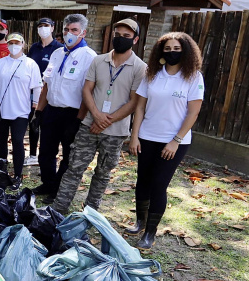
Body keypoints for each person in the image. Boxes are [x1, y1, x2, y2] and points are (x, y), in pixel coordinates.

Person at [51, 19, 147, 214]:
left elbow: (134, 102)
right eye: (117, 35)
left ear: (135, 39)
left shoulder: (140, 67)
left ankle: (90, 213)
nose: (121, 39)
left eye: (126, 36)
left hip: (115, 131)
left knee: (102, 173)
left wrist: (104, 122)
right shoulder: (98, 60)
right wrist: (96, 115)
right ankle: (58, 209)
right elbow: (87, 90)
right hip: (89, 125)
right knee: (74, 168)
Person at [129, 32, 204, 249]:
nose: (172, 53)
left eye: (177, 49)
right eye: (168, 49)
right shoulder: (152, 74)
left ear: (186, 51)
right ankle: (140, 222)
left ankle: (150, 232)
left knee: (159, 184)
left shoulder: (194, 77)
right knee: (143, 181)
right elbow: (140, 107)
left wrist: (175, 140)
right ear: (161, 51)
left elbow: (193, 113)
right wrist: (134, 136)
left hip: (174, 141)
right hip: (147, 137)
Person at [33, 13, 97, 201]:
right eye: (67, 29)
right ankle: (47, 183)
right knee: (46, 152)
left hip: (73, 114)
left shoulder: (90, 57)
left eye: (74, 30)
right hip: (51, 111)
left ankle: (58, 190)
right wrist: (38, 112)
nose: (69, 33)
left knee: (68, 156)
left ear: (83, 33)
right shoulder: (57, 53)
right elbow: (47, 85)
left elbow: (89, 92)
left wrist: (78, 120)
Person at [0, 33, 42, 188]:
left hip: (21, 111)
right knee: (1, 141)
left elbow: (37, 87)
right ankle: (2, 173)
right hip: (1, 110)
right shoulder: (0, 63)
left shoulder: (30, 64)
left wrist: (35, 109)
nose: (14, 45)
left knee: (17, 141)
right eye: (11, 43)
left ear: (23, 44)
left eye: (17, 43)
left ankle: (18, 175)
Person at [26, 18, 64, 166]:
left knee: (48, 126)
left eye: (46, 25)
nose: (43, 28)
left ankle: (48, 155)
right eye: (40, 26)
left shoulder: (59, 48)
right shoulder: (34, 48)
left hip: (51, 92)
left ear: (53, 28)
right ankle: (32, 155)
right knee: (34, 122)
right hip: (33, 92)